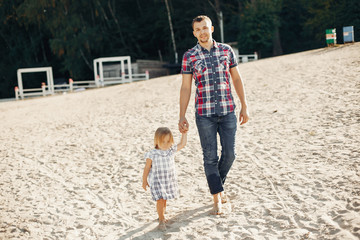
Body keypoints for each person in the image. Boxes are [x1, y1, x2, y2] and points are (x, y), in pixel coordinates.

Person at [179, 15, 249, 215]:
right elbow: (185, 88)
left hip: (228, 111)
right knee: (210, 157)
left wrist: (245, 105)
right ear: (194, 33)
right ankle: (217, 197)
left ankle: (218, 185)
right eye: (198, 29)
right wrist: (181, 115)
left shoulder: (227, 51)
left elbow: (236, 78)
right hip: (204, 114)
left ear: (212, 29)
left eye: (205, 27)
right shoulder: (189, 56)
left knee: (230, 155)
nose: (202, 31)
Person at [142, 127, 187, 230]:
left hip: (168, 180)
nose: (166, 144)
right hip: (157, 181)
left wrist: (184, 134)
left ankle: (161, 215)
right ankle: (161, 220)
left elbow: (182, 144)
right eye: (163, 141)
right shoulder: (152, 154)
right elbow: (147, 168)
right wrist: (144, 181)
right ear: (157, 141)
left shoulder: (170, 150)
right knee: (160, 200)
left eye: (168, 141)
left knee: (165, 199)